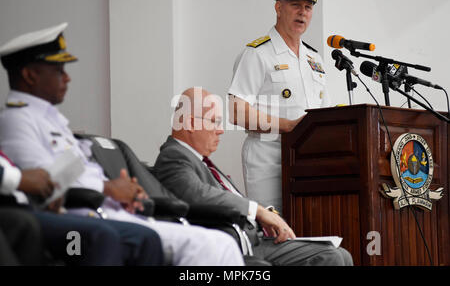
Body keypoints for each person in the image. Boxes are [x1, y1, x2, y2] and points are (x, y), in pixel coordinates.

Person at [0, 23, 244, 266]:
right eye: (58, 70)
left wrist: (124, 191)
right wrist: (109, 188)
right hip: (81, 213)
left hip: (110, 210)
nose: (67, 77)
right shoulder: (16, 120)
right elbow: (46, 183)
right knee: (205, 246)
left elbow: (69, 172)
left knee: (220, 243)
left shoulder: (52, 121)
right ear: (30, 75)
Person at [154, 87, 352, 266]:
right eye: (215, 122)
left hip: (254, 238)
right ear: (190, 123)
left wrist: (266, 213)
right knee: (331, 256)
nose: (221, 130)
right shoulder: (174, 156)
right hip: (237, 245)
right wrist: (259, 211)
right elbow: (197, 194)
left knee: (341, 254)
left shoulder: (196, 160)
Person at [228, 0, 331, 213]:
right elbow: (237, 113)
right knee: (277, 232)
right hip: (269, 162)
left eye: (308, 6)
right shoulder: (257, 53)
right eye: (295, 4)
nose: (302, 12)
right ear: (278, 8)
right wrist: (289, 126)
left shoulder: (314, 59)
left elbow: (324, 113)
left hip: (310, 161)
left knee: (311, 229)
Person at [1, 151, 164, 266]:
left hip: (38, 204)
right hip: (20, 211)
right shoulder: (19, 119)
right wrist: (19, 178)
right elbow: (24, 178)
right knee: (101, 235)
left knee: (147, 239)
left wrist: (51, 194)